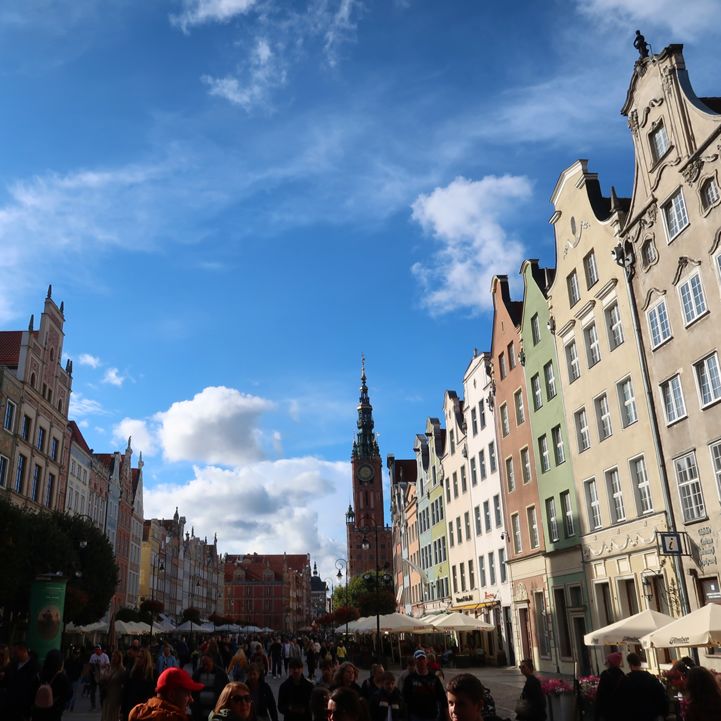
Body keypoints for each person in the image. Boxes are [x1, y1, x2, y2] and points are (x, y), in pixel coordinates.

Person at [129, 667, 204, 721]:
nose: (191, 699)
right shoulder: (174, 718)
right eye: (187, 694)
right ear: (171, 695)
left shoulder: (137, 712)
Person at [616, 652, 666, 721]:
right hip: (651, 714)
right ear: (639, 663)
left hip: (633, 715)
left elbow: (620, 699)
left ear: (629, 664)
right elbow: (661, 694)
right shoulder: (651, 678)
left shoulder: (625, 680)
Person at [402, 650, 448, 721]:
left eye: (423, 659)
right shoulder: (409, 679)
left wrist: (447, 716)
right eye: (419, 659)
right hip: (415, 716)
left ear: (426, 661)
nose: (421, 661)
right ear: (415, 661)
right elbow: (405, 699)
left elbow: (442, 698)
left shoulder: (434, 678)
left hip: (432, 715)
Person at [31, 649, 71, 721]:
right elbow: (68, 694)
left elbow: (32, 691)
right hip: (54, 711)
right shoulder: (61, 677)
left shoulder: (39, 674)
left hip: (38, 711)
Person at [4, 641, 40, 721]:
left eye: (16, 652)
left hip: (24, 707)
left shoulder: (34, 667)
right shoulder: (13, 665)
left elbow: (35, 687)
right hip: (10, 705)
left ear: (24, 650)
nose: (14, 654)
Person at [192, 654, 229, 721]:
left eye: (207, 664)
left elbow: (228, 691)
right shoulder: (197, 674)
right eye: (203, 664)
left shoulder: (221, 674)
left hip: (216, 711)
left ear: (212, 662)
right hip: (199, 712)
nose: (205, 667)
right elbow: (192, 691)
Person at [122, 649, 156, 721]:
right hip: (131, 708)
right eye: (138, 657)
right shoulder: (132, 673)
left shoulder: (152, 674)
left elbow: (154, 694)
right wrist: (122, 711)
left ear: (146, 659)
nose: (138, 659)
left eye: (141, 657)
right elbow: (125, 692)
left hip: (145, 710)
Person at [594, 652, 624, 721]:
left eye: (607, 661)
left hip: (607, 709)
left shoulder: (605, 674)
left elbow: (600, 694)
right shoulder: (622, 675)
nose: (606, 663)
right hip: (620, 710)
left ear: (611, 663)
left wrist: (596, 714)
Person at [100, 650, 127, 721]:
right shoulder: (109, 668)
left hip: (115, 695)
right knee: (106, 713)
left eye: (115, 656)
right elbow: (102, 679)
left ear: (119, 658)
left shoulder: (122, 670)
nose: (113, 658)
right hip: (107, 694)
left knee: (113, 715)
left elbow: (124, 684)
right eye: (112, 656)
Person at [89, 645, 111, 711]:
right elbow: (90, 664)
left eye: (98, 649)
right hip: (94, 675)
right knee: (92, 692)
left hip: (102, 676)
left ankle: (102, 705)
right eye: (96, 650)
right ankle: (93, 706)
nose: (97, 651)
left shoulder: (105, 656)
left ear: (101, 650)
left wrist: (102, 665)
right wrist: (92, 670)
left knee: (102, 692)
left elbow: (108, 665)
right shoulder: (93, 656)